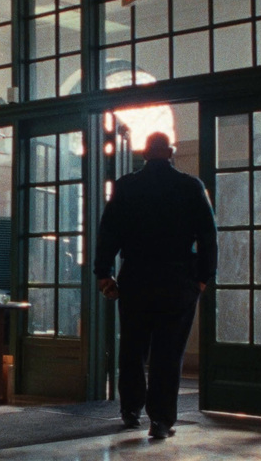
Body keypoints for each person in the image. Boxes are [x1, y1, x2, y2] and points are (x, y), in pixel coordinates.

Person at [93, 131, 218, 440]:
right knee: (168, 353)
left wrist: (104, 272)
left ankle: (130, 410)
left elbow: (108, 233)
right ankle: (160, 420)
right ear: (172, 152)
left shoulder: (126, 187)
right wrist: (202, 278)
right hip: (177, 280)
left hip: (136, 277)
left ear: (145, 154)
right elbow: (208, 237)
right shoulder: (191, 187)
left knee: (133, 348)